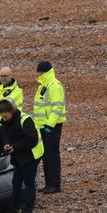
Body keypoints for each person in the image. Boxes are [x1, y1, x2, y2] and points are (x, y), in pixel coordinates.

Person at [0, 99, 44, 213]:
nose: (4, 118)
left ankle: (28, 210)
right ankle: (13, 210)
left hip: (32, 155)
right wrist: (6, 144)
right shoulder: (6, 122)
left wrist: (15, 147)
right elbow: (6, 136)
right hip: (19, 156)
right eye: (2, 116)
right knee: (16, 182)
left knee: (29, 183)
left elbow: (32, 139)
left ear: (11, 112)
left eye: (6, 115)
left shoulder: (25, 120)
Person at [32, 60, 66, 194]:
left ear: (44, 71)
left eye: (39, 72)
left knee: (52, 154)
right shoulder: (43, 85)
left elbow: (57, 106)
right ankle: (48, 183)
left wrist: (50, 125)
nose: (38, 74)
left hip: (52, 126)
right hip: (42, 125)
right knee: (45, 155)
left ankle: (55, 184)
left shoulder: (54, 85)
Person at [0, 66, 24, 158]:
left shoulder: (17, 90)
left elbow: (6, 105)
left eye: (5, 76)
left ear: (11, 76)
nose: (3, 78)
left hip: (9, 128)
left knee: (8, 156)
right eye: (1, 76)